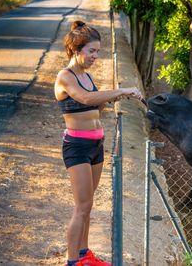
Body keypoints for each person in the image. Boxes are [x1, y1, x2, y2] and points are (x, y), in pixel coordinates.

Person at [54, 20, 142, 266]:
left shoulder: (87, 76)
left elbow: (95, 106)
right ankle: (72, 262)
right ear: (75, 49)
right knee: (81, 207)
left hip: (95, 145)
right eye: (91, 51)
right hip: (77, 147)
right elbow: (84, 98)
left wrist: (112, 99)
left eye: (98, 52)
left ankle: (84, 254)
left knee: (88, 205)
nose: (95, 56)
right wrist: (119, 90)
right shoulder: (65, 77)